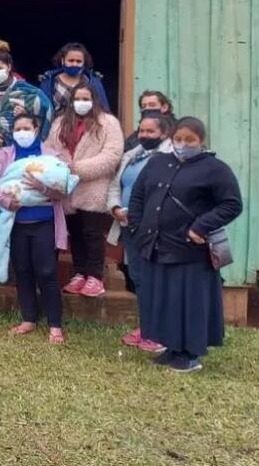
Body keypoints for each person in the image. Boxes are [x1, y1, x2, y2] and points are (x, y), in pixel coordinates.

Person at [128, 117, 242, 373]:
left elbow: (232, 204)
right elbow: (138, 194)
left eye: (189, 140)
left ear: (201, 141)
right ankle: (171, 347)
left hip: (190, 248)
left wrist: (201, 226)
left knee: (189, 300)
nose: (182, 145)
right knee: (163, 297)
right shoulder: (157, 162)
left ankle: (190, 353)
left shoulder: (215, 168)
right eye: (177, 139)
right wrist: (137, 226)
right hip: (155, 244)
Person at [0, 114, 69, 344]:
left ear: (37, 128)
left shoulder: (51, 156)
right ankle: (28, 318)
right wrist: (4, 200)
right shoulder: (4, 155)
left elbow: (63, 189)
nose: (22, 132)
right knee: (22, 270)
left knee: (47, 271)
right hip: (17, 224)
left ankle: (55, 324)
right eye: (18, 128)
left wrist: (41, 187)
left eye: (26, 127)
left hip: (44, 223)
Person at [45, 83, 123, 297]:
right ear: (71, 101)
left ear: (94, 100)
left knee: (92, 232)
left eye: (86, 98)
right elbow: (50, 150)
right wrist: (59, 169)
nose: (81, 103)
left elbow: (112, 155)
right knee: (76, 232)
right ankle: (79, 273)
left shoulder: (108, 123)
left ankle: (95, 276)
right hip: (67, 188)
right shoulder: (60, 123)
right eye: (77, 98)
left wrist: (77, 169)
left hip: (94, 186)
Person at [107, 113, 173, 353]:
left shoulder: (169, 157)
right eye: (141, 131)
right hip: (128, 226)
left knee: (157, 279)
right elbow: (116, 185)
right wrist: (115, 208)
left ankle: (162, 332)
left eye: (151, 131)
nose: (144, 135)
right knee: (139, 278)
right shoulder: (131, 156)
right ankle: (146, 327)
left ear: (164, 133)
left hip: (155, 230)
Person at [0, 40, 52, 173]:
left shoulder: (24, 89)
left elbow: (39, 112)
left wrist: (25, 115)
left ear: (9, 67)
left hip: (18, 147)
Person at [39, 42, 110, 115]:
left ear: (84, 63)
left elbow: (103, 110)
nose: (74, 64)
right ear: (63, 60)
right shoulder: (49, 82)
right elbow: (41, 112)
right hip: (57, 125)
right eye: (71, 60)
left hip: (88, 125)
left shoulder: (93, 82)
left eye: (79, 61)